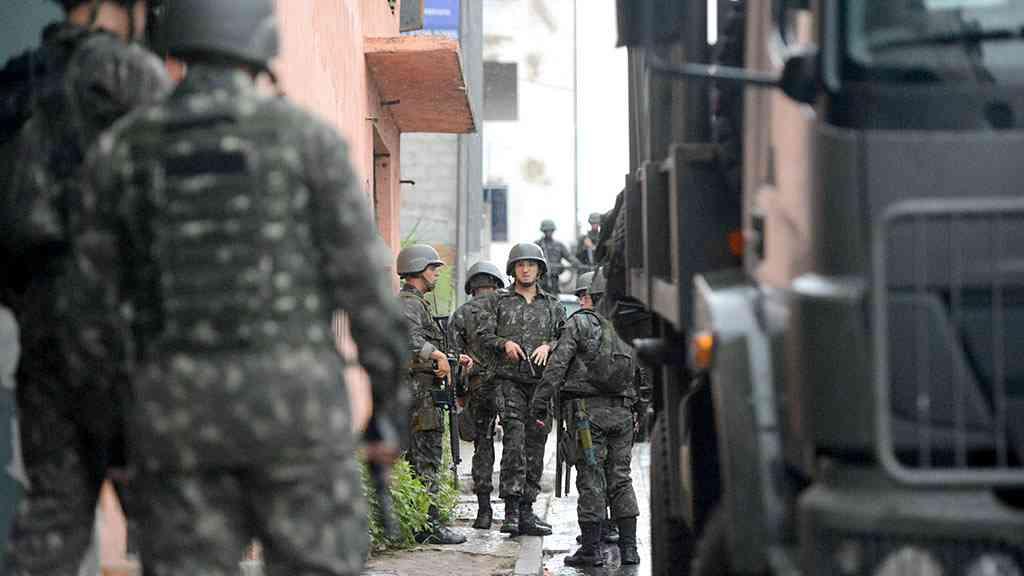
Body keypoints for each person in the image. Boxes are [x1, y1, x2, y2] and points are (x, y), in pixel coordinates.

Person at [73, 0, 410, 572]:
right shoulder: (307, 142)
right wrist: (387, 410)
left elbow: (89, 312)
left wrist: (113, 435)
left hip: (175, 421)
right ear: (260, 44)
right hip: (297, 416)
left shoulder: (123, 150)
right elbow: (369, 294)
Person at [0, 1, 171, 573]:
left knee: (53, 515)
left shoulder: (15, 81)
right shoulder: (129, 72)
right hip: (129, 337)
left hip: (42, 334)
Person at [531, 267, 641, 566]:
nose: (581, 300)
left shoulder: (579, 323)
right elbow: (642, 375)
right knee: (621, 478)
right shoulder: (627, 326)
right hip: (623, 413)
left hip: (586, 416)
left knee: (591, 479)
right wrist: (638, 411)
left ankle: (591, 550)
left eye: (584, 295)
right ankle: (630, 549)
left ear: (592, 295)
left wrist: (539, 404)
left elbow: (557, 367)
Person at [477, 242, 566, 536]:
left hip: (541, 386)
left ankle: (527, 509)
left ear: (540, 270)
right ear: (513, 270)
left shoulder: (553, 305)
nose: (525, 269)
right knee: (514, 442)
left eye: (531, 264)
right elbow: (483, 335)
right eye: (520, 265)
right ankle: (511, 511)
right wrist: (504, 343)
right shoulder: (498, 302)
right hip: (509, 381)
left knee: (536, 444)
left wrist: (549, 345)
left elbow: (566, 339)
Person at [396, 244, 471, 545]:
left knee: (422, 459)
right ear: (417, 269)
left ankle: (422, 522)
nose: (437, 273)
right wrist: (438, 355)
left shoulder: (417, 303)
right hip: (418, 396)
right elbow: (411, 340)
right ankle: (429, 526)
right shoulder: (408, 303)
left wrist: (452, 358)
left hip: (423, 394)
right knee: (426, 459)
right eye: (432, 268)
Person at [448, 261, 506, 529]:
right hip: (509, 388)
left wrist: (460, 394)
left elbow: (454, 360)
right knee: (516, 444)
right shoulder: (507, 308)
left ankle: (484, 511)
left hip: (478, 388)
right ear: (496, 284)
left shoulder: (460, 315)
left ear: (471, 287)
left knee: (483, 445)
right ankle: (516, 511)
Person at [536, 219, 580, 295]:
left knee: (554, 296)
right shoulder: (538, 245)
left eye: (550, 230)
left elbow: (569, 257)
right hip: (541, 278)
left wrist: (577, 263)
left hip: (554, 278)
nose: (548, 233)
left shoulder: (559, 245)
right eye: (546, 231)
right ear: (543, 231)